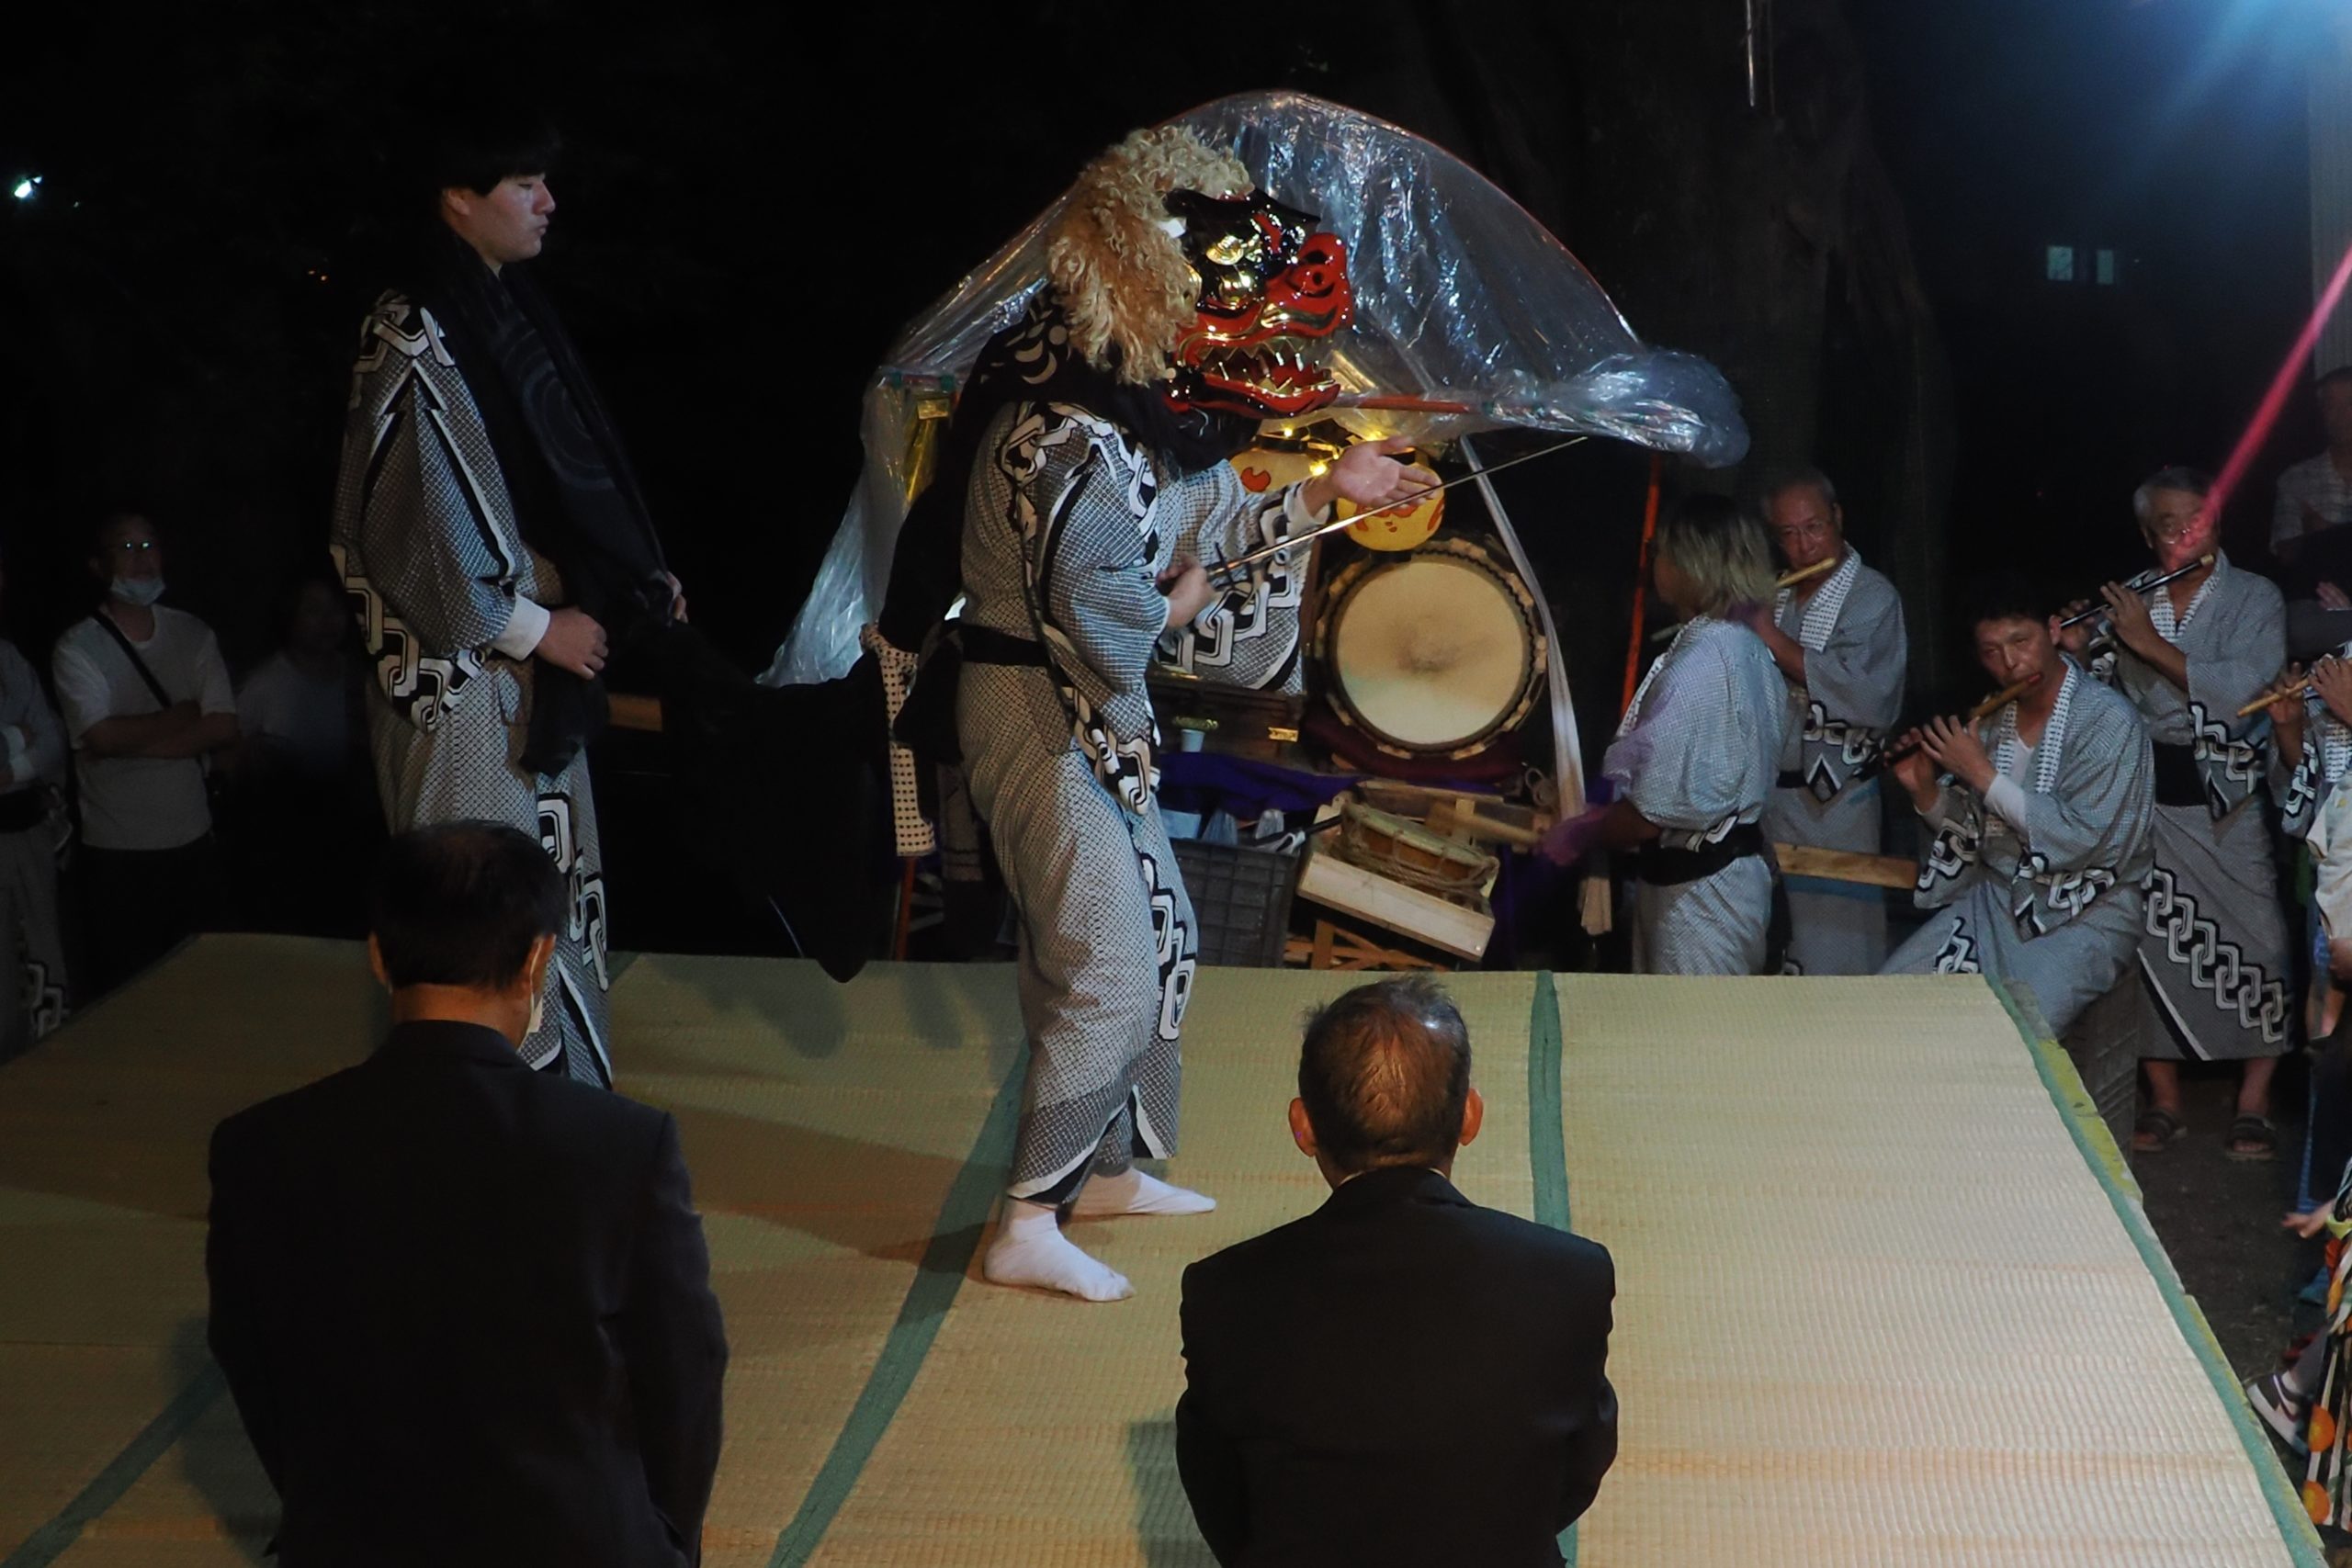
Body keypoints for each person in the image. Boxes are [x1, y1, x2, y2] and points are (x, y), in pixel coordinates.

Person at [932, 127, 1422, 1303]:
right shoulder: (1061, 433)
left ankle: (1102, 1172)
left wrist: (1330, 485)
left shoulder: (1126, 400)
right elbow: (1112, 619)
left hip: (1089, 708)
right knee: (1105, 960)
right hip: (1036, 707)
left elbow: (1209, 515)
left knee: (1161, 936)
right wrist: (1179, 604)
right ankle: (1026, 1219)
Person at [206, 821, 726, 1567]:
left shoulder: (260, 1147)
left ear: (378, 956)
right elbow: (684, 1374)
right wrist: (665, 1541)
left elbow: (254, 1367)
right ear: (537, 959)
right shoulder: (621, 1146)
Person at [329, 110, 685, 1086]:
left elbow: (566, 486)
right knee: (469, 923)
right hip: (458, 688)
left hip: (533, 679)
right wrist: (533, 626)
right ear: (458, 198)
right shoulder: (409, 327)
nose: (547, 202)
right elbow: (414, 528)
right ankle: (474, 1127)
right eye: (523, 184)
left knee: (545, 916)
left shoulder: (502, 311)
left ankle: (552, 1118)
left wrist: (630, 581)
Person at [1175, 976, 1617, 1567]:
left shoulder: (1224, 1290)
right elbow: (1578, 1468)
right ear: (1470, 1116)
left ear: (1303, 1127)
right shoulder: (1570, 1276)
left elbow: (1222, 1497)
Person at [2061, 468, 2291, 1158]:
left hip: (2226, 800)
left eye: (2198, 519)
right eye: (2169, 525)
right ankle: (2163, 1098)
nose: (2186, 535)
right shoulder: (2128, 601)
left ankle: (2254, 1099)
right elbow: (2097, 706)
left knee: (2263, 939)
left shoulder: (2255, 597)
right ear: (2147, 534)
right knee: (2152, 944)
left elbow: (2247, 689)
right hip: (2148, 801)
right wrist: (2074, 654)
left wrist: (2149, 643)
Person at [1880, 575, 2154, 1034]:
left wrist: (1981, 774)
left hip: (2086, 913)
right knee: (1891, 1003)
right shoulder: (1990, 722)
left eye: (2020, 641)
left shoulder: (2108, 719)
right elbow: (1973, 833)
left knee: (2013, 1034)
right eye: (1992, 651)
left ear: (2052, 630)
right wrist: (1923, 790)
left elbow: (2084, 836)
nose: (2010, 662)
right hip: (1995, 902)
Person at [1542, 494, 1790, 975]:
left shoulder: (1701, 666)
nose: (1654, 562)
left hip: (1700, 902)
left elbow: (1648, 817)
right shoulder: (1749, 650)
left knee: (1690, 1023)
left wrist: (1580, 832)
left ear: (1687, 565)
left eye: (1660, 552)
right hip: (1723, 885)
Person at [51, 510, 237, 997]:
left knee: (200, 983)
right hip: (118, 852)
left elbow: (222, 724)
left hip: (191, 839)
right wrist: (182, 717)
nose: (141, 559)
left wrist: (132, 740)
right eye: (126, 548)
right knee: (128, 988)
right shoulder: (78, 647)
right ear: (98, 565)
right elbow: (101, 738)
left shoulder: (193, 634)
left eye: (149, 545)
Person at [1736, 467, 1907, 974]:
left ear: (1837, 517)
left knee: (1838, 944)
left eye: (1814, 528)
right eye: (1788, 534)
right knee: (1776, 941)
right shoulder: (1775, 595)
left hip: (1836, 802)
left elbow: (1866, 695)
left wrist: (1769, 637)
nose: (1804, 546)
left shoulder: (1873, 597)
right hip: (1771, 798)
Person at [0, 553, 68, 1060]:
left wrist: (14, 765)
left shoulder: (7, 657)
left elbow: (51, 739)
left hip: (24, 833)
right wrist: (14, 736)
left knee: (41, 962)